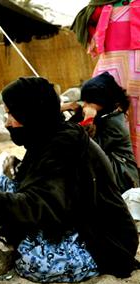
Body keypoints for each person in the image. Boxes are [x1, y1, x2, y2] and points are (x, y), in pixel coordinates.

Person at [0, 77, 139, 283]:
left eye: (12, 114)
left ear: (32, 114)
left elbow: (38, 207)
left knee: (34, 263)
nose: (8, 123)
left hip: (104, 238)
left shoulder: (64, 146)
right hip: (71, 213)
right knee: (6, 182)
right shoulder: (47, 136)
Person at [71, 0, 140, 168]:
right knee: (110, 117)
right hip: (113, 69)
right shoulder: (99, 8)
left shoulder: (98, 8)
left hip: (115, 69)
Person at [63, 72, 139, 192]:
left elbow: (84, 146)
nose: (85, 106)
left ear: (104, 101)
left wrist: (88, 119)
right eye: (84, 101)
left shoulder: (115, 123)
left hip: (122, 178)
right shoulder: (101, 114)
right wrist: (65, 107)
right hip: (105, 172)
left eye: (90, 101)